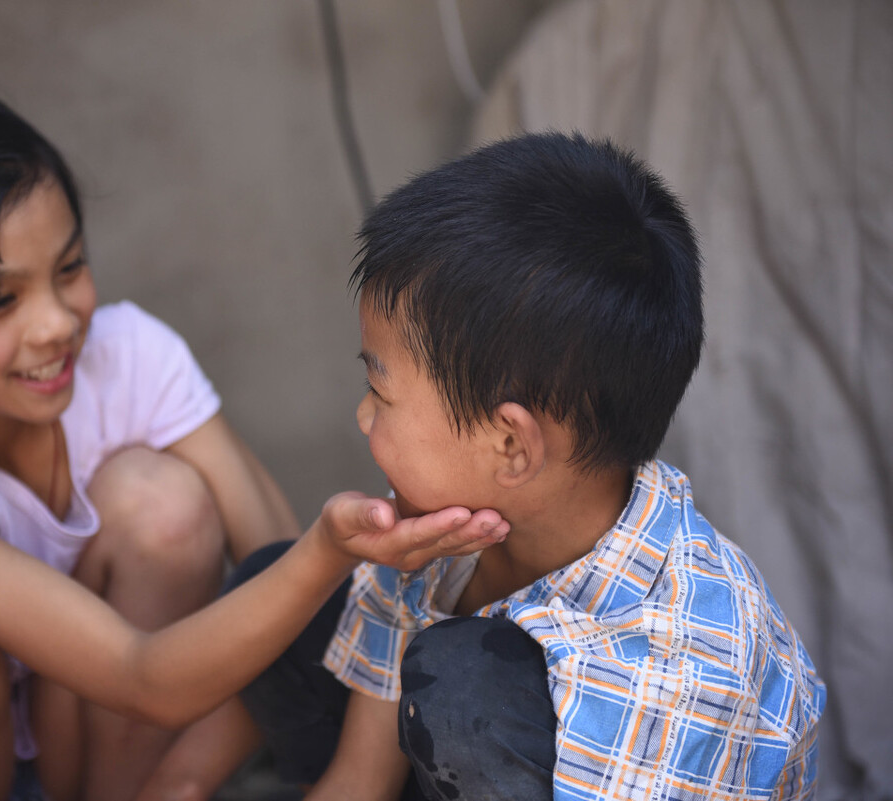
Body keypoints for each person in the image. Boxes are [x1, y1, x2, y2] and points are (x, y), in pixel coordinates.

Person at [0, 78, 510, 801]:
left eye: (70, 268)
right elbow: (142, 670)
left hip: (94, 751)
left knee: (162, 503)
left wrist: (181, 781)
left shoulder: (128, 355)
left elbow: (289, 607)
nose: (57, 322)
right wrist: (327, 552)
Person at [149, 132, 827, 801]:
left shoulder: (676, 661)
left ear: (510, 445)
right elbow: (358, 780)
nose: (361, 415)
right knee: (284, 586)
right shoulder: (437, 528)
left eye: (380, 393)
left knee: (466, 683)